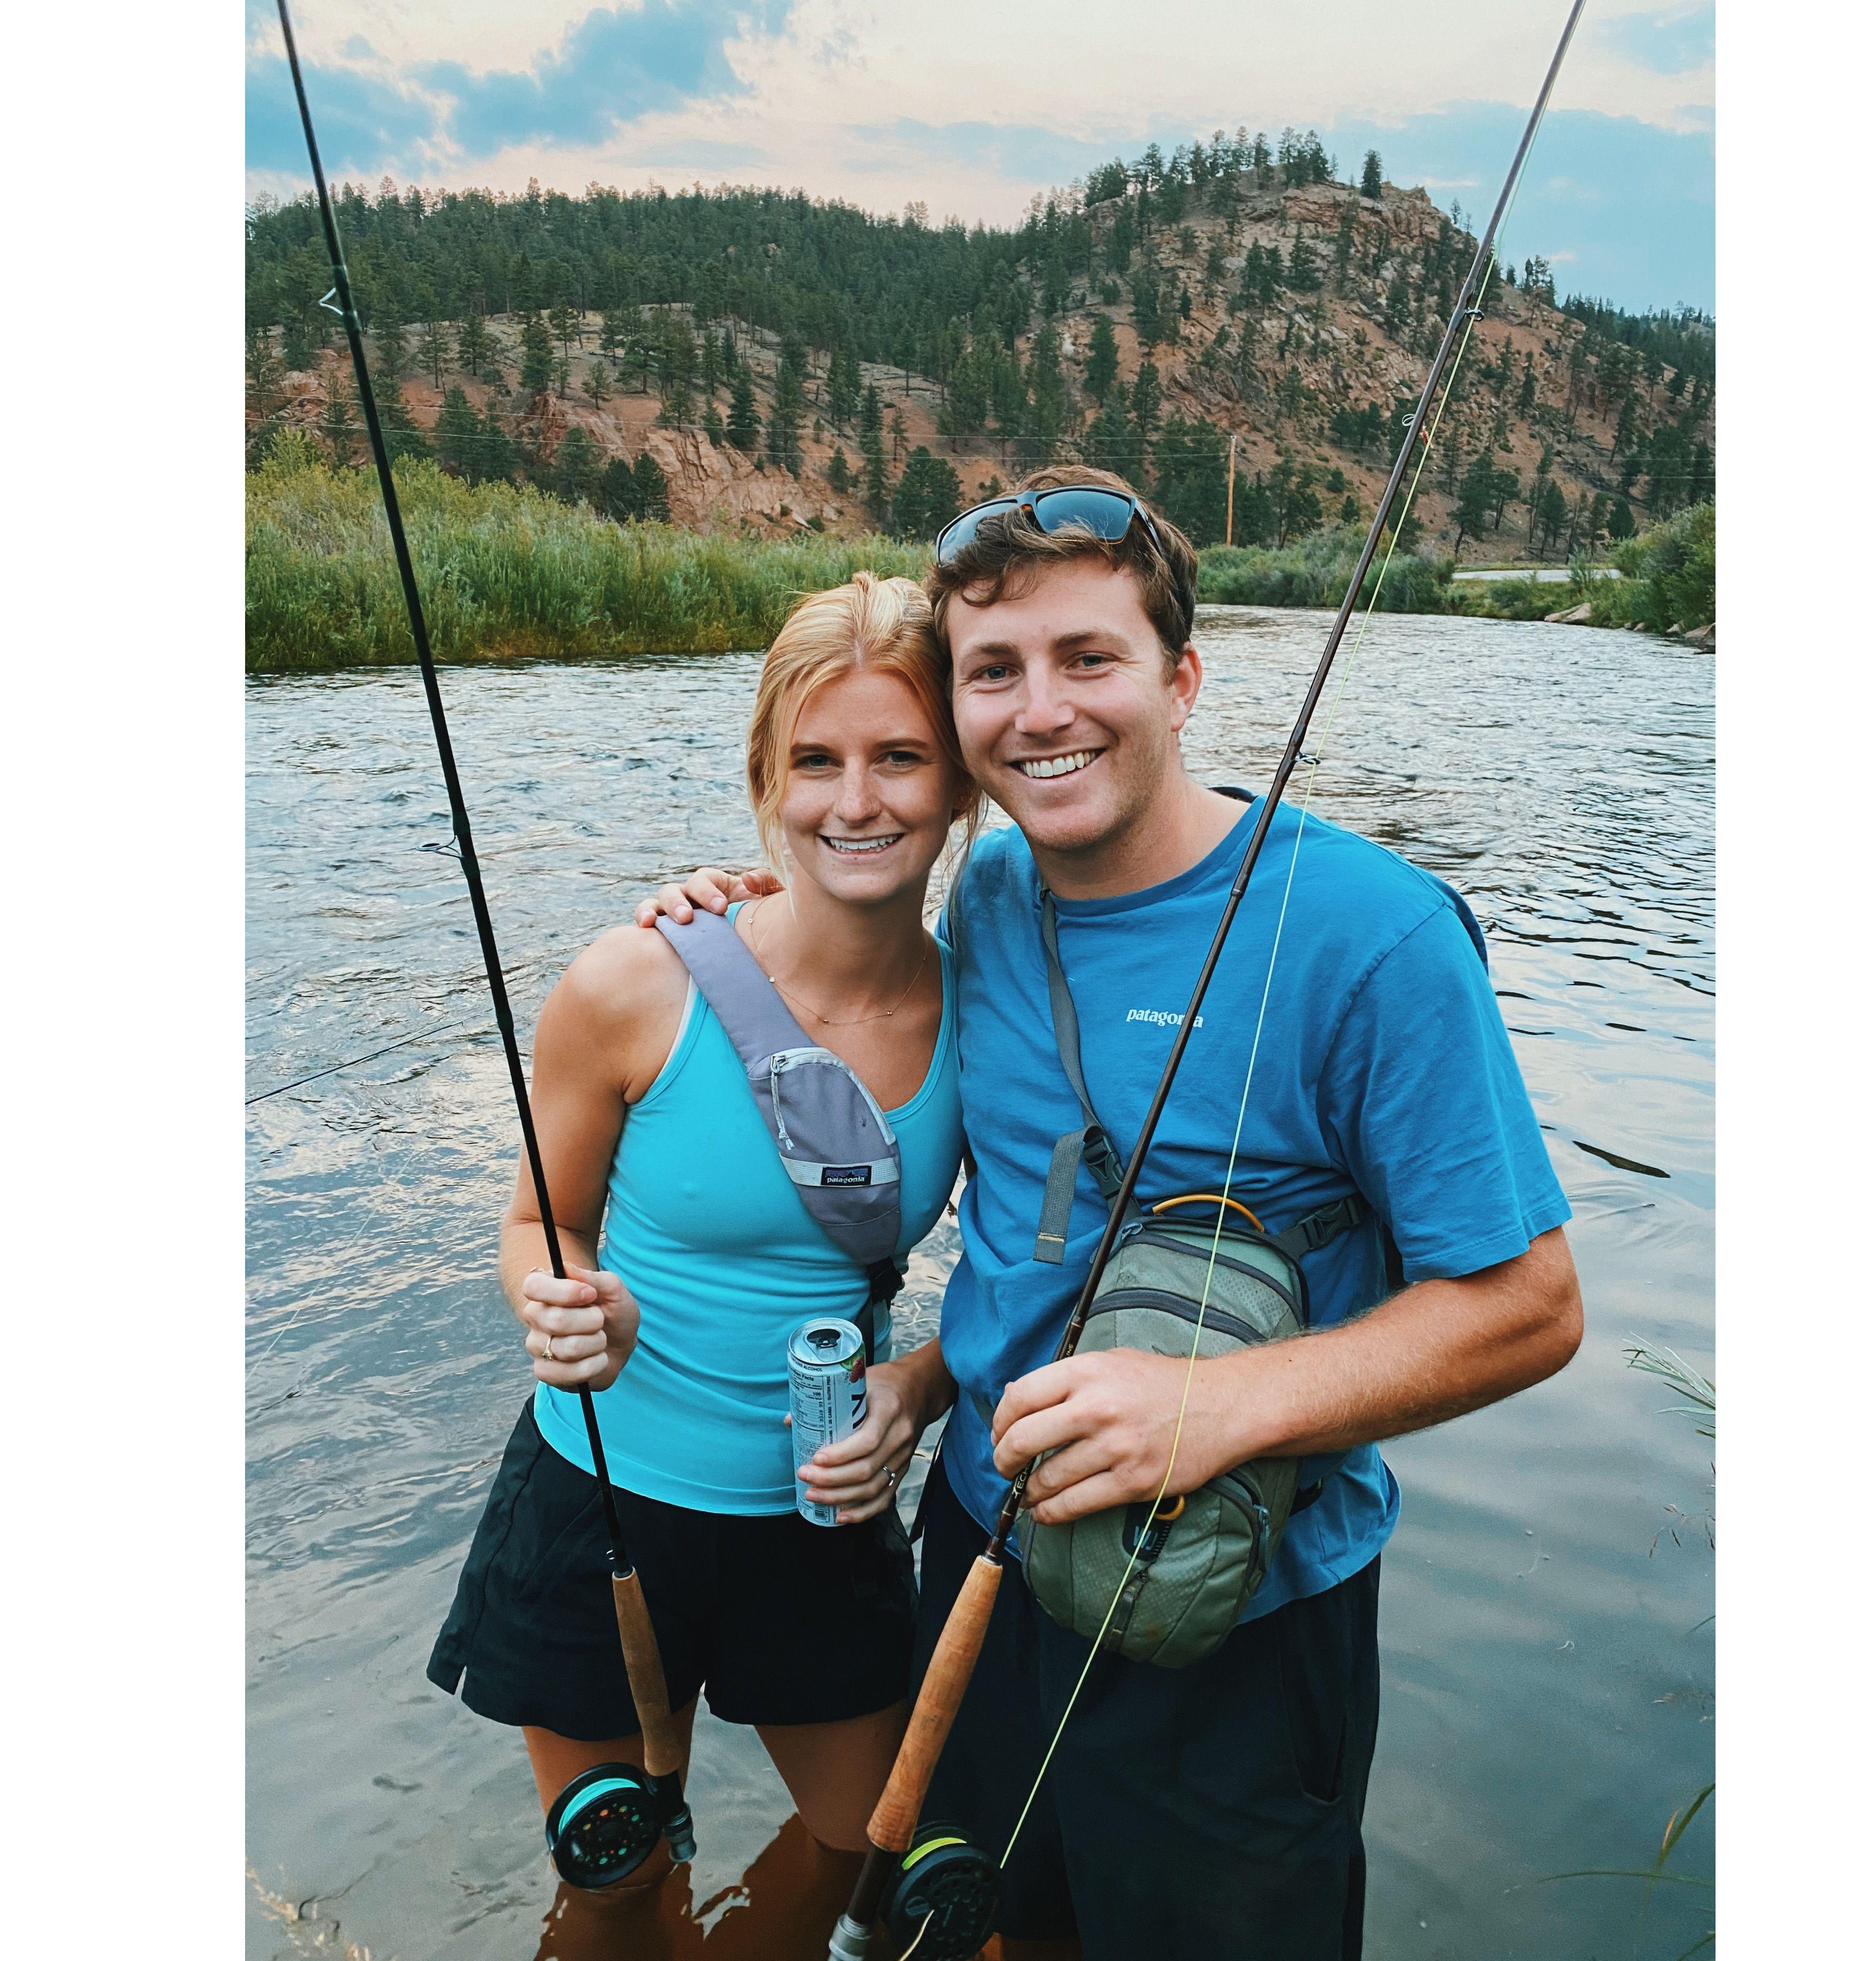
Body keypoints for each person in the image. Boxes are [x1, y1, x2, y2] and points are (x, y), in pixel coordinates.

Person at [642, 467, 1584, 1961]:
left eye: (1090, 659)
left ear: (1181, 678)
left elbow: (1532, 1303)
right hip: (979, 1561)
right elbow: (1036, 1227)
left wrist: (1216, 1408)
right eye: (994, 672)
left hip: (1244, 1630)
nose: (1042, 711)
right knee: (972, 1932)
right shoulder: (995, 888)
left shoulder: (1379, 937)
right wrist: (734, 915)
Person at [428, 572, 974, 1897]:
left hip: (825, 1526)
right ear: (764, 780)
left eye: (900, 757)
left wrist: (918, 1385)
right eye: (817, 762)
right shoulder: (634, 983)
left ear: (962, 783)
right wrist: (558, 1299)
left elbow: (1027, 1275)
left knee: (869, 1864)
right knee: (614, 1892)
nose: (857, 801)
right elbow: (538, 1223)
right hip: (601, 1506)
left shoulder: (996, 1016)